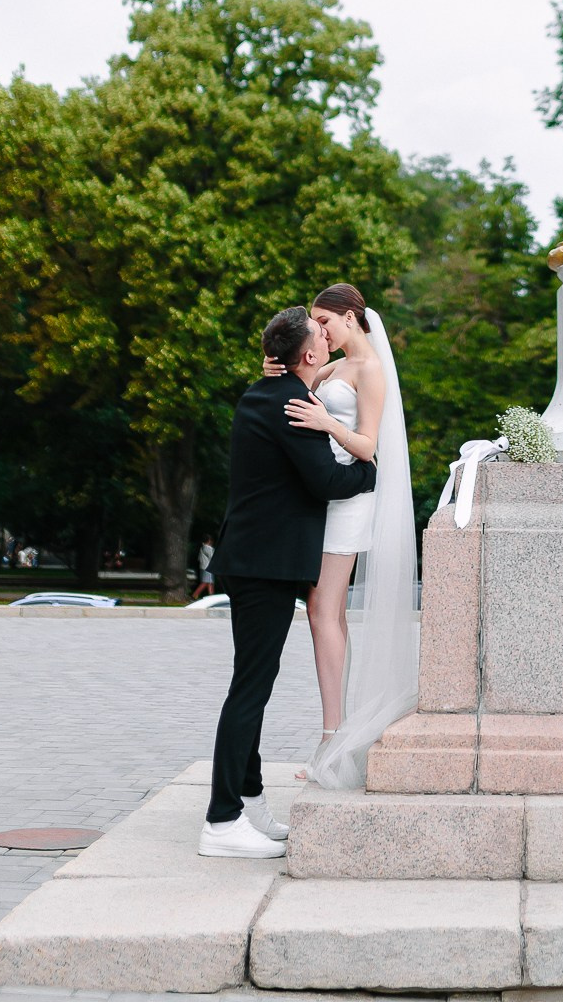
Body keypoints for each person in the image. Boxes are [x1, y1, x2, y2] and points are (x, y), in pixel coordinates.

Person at [199, 304, 377, 859]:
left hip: (250, 557)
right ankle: (222, 820)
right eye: (318, 336)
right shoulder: (294, 405)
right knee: (249, 691)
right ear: (307, 355)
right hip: (266, 564)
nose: (326, 339)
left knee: (251, 683)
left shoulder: (263, 392)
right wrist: (370, 469)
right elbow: (327, 480)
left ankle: (248, 803)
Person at [264, 280, 418, 788]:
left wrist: (327, 424)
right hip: (324, 498)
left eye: (325, 322)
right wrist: (277, 371)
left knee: (323, 612)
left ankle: (334, 738)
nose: (321, 332)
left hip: (351, 503)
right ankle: (335, 731)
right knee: (320, 612)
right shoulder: (339, 365)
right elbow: (306, 380)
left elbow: (368, 446)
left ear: (350, 317)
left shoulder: (369, 370)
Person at [192, 535, 215, 600]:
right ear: (209, 541)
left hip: (203, 567)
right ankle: (194, 595)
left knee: (208, 583)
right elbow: (212, 557)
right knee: (207, 583)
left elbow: (199, 559)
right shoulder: (208, 548)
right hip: (208, 567)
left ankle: (211, 597)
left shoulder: (202, 548)